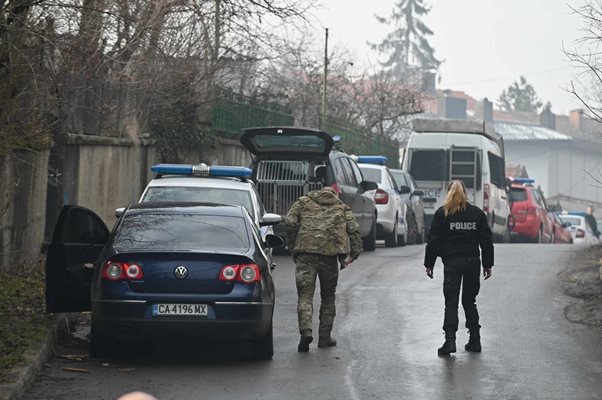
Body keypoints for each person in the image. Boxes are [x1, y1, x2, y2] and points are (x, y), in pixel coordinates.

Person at [286, 186, 362, 352]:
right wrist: (354, 253)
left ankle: (306, 332)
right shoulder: (342, 207)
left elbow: (290, 221)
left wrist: (293, 246)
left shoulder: (303, 201)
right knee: (328, 296)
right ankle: (324, 338)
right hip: (329, 257)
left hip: (305, 254)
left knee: (305, 296)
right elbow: (354, 229)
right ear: (335, 194)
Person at [424, 180, 494, 356]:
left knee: (451, 302)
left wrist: (429, 264)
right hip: (472, 263)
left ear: (448, 193)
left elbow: (433, 241)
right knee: (469, 301)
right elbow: (486, 241)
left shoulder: (442, 214)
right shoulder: (477, 214)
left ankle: (450, 341)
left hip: (452, 263)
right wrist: (487, 265)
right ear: (465, 194)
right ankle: (475, 340)